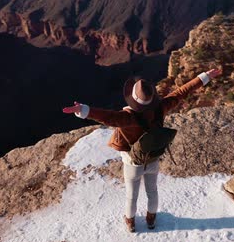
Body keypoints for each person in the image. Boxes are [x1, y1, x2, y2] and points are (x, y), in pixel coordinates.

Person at [62, 68, 222, 232]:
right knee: (152, 192)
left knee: (131, 196)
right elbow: (181, 92)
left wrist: (83, 110)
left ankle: (130, 222)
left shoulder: (127, 117)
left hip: (133, 164)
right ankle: (151, 220)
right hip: (152, 160)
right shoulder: (160, 108)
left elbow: (106, 116)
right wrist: (204, 77)